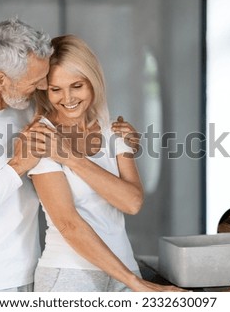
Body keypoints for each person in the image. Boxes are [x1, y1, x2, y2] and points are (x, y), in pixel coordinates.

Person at [28, 35, 182, 292]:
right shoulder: (42, 137)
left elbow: (131, 202)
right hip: (70, 275)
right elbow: (69, 224)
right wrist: (133, 281)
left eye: (77, 85)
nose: (67, 98)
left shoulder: (113, 129)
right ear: (45, 88)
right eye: (56, 89)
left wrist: (70, 157)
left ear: (93, 81)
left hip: (124, 268)